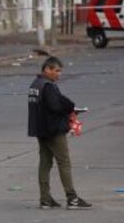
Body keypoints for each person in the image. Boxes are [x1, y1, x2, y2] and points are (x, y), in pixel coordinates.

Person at [28, 57, 91, 210]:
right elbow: (55, 106)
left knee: (45, 163)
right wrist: (71, 109)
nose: (58, 74)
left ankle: (45, 199)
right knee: (64, 162)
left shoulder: (35, 84)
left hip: (40, 129)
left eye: (60, 71)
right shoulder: (48, 86)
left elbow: (53, 103)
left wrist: (70, 106)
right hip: (53, 130)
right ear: (47, 69)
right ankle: (72, 198)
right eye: (56, 71)